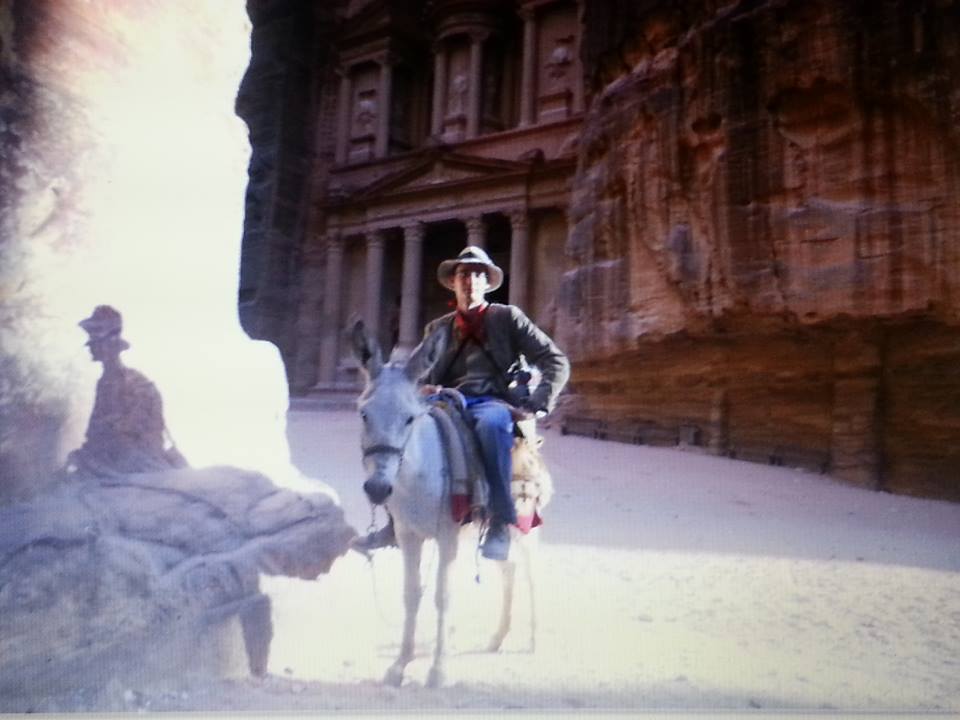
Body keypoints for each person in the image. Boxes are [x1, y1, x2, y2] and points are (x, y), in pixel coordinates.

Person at [354, 246, 570, 560]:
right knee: (401, 430)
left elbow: (555, 360)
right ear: (454, 282)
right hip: (447, 401)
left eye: (478, 274)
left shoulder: (508, 318)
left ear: (488, 282)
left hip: (492, 401)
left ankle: (499, 520)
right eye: (463, 274)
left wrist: (539, 402)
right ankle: (394, 520)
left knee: (491, 426)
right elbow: (427, 372)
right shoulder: (438, 328)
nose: (470, 280)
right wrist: (423, 389)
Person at [64, 305, 187, 477]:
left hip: (134, 468)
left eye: (94, 342)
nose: (90, 347)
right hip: (116, 465)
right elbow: (95, 435)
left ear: (108, 344)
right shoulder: (105, 383)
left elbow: (132, 439)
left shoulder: (136, 384)